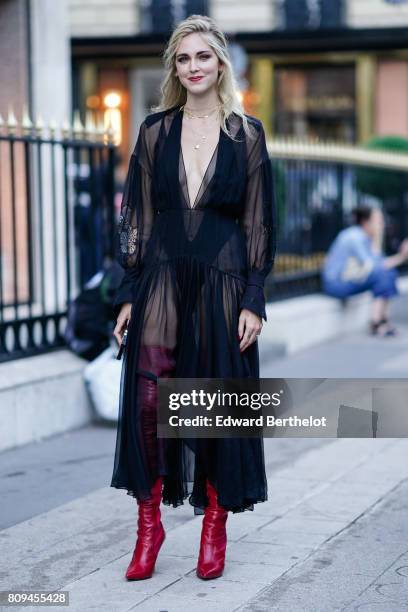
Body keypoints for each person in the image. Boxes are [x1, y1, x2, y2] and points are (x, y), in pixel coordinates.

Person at [111, 14, 277, 582]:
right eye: (183, 59)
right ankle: (149, 524)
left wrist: (254, 297)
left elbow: (259, 223)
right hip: (160, 280)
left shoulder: (247, 134)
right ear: (174, 68)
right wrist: (129, 292)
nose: (193, 67)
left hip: (224, 284)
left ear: (221, 62)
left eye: (203, 57)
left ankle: (213, 524)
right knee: (149, 402)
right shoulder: (155, 131)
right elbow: (139, 216)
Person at [321, 206, 408, 336]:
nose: (382, 225)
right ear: (366, 222)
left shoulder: (364, 237)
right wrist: (401, 257)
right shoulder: (354, 237)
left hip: (347, 280)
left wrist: (378, 238)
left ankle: (381, 320)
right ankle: (376, 322)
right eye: (379, 221)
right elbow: (375, 267)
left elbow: (379, 262)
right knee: (383, 274)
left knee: (389, 273)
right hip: (336, 285)